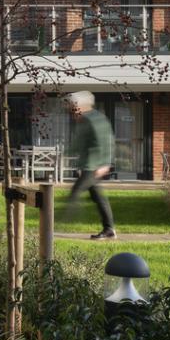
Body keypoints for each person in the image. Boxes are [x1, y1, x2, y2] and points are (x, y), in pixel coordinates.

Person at [66, 91, 117, 239]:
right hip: (87, 165)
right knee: (98, 197)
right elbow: (79, 144)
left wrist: (106, 163)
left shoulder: (96, 119)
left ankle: (57, 224)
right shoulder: (84, 120)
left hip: (94, 166)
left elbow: (107, 142)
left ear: (82, 105)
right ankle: (109, 229)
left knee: (75, 192)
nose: (72, 108)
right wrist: (64, 154)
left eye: (74, 105)